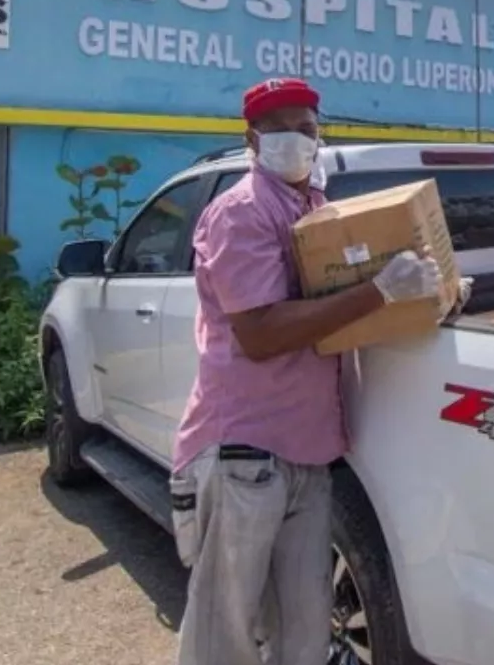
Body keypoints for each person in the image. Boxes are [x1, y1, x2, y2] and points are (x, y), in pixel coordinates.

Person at [169, 77, 445, 665]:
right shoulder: (241, 213)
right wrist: (380, 290)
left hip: (311, 455)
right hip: (247, 453)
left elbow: (340, 307)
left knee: (305, 630)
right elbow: (262, 333)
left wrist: (436, 294)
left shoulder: (315, 211)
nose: (298, 140)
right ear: (252, 138)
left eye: (308, 129)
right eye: (282, 129)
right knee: (227, 630)